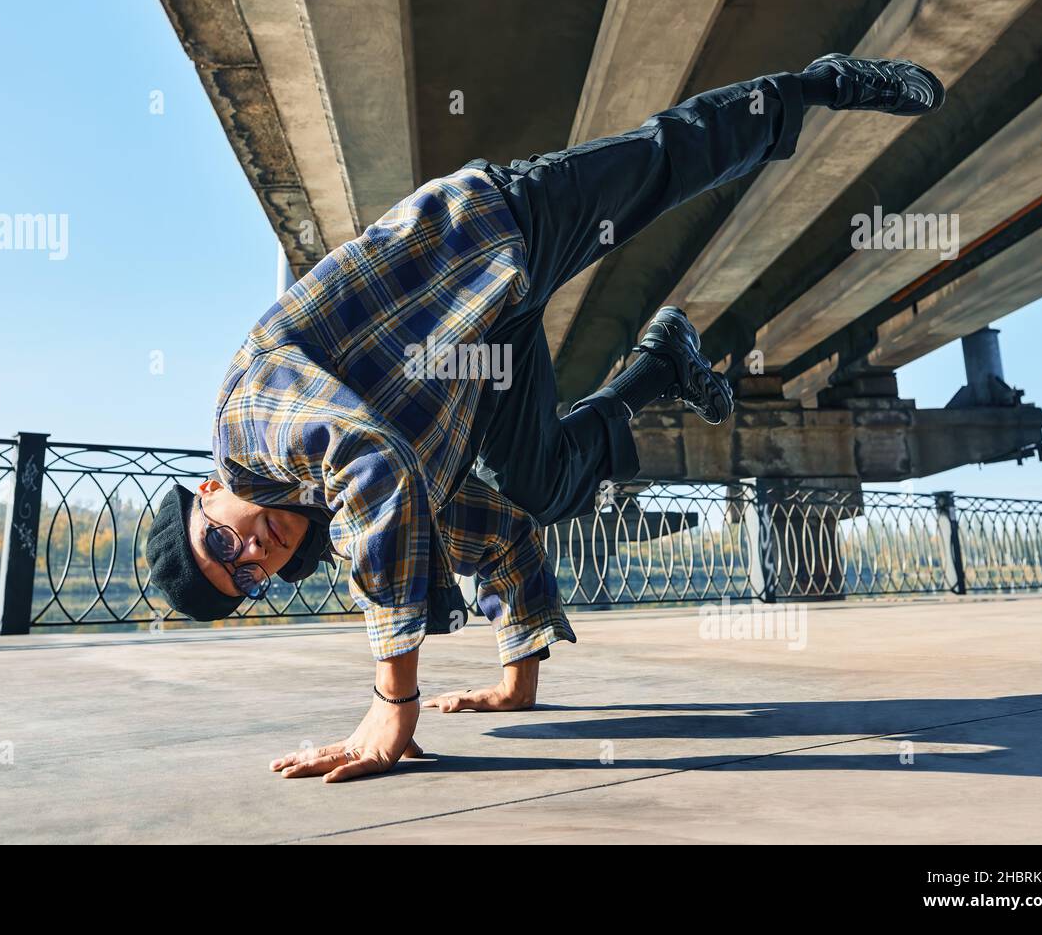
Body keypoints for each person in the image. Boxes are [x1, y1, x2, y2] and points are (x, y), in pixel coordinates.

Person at [145, 53, 945, 783]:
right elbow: (493, 535)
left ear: (210, 491)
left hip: (488, 231)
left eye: (220, 541)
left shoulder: (247, 423)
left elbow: (367, 459)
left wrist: (394, 703)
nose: (252, 551)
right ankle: (660, 364)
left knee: (666, 160)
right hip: (490, 356)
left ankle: (824, 82)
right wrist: (515, 682)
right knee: (541, 488)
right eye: (244, 575)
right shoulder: (331, 501)